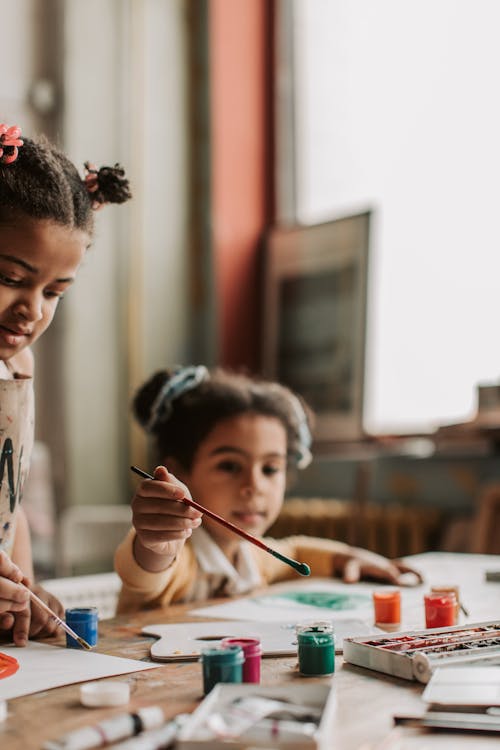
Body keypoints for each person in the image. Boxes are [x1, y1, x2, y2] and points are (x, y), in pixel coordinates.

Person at [115, 366, 423, 613]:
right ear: (179, 472)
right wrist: (156, 541)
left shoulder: (251, 556)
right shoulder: (180, 555)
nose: (254, 487)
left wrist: (351, 556)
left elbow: (297, 551)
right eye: (230, 466)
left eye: (270, 469)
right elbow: (150, 569)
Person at [0, 122, 131, 645]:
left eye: (55, 291)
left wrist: (27, 592)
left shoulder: (17, 368)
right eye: (10, 278)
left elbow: (10, 503)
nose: (32, 309)